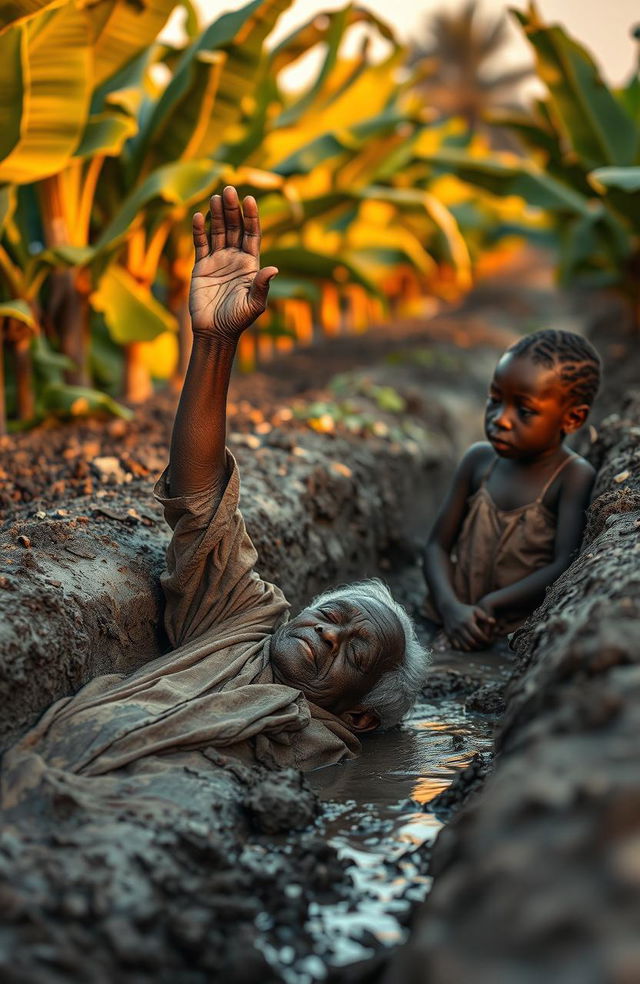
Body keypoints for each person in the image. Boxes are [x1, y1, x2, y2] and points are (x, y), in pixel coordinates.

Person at [1, 187, 429, 821]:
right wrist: (213, 343)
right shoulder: (240, 622)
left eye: (354, 652)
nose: (328, 633)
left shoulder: (315, 743)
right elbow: (199, 495)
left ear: (359, 715)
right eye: (334, 616)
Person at [423, 329, 601, 651]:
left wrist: (492, 604)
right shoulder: (478, 461)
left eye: (524, 410)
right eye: (495, 399)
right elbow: (436, 546)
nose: (500, 419)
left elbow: (564, 565)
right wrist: (450, 608)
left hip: (511, 632)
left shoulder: (571, 477)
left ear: (572, 419)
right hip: (448, 616)